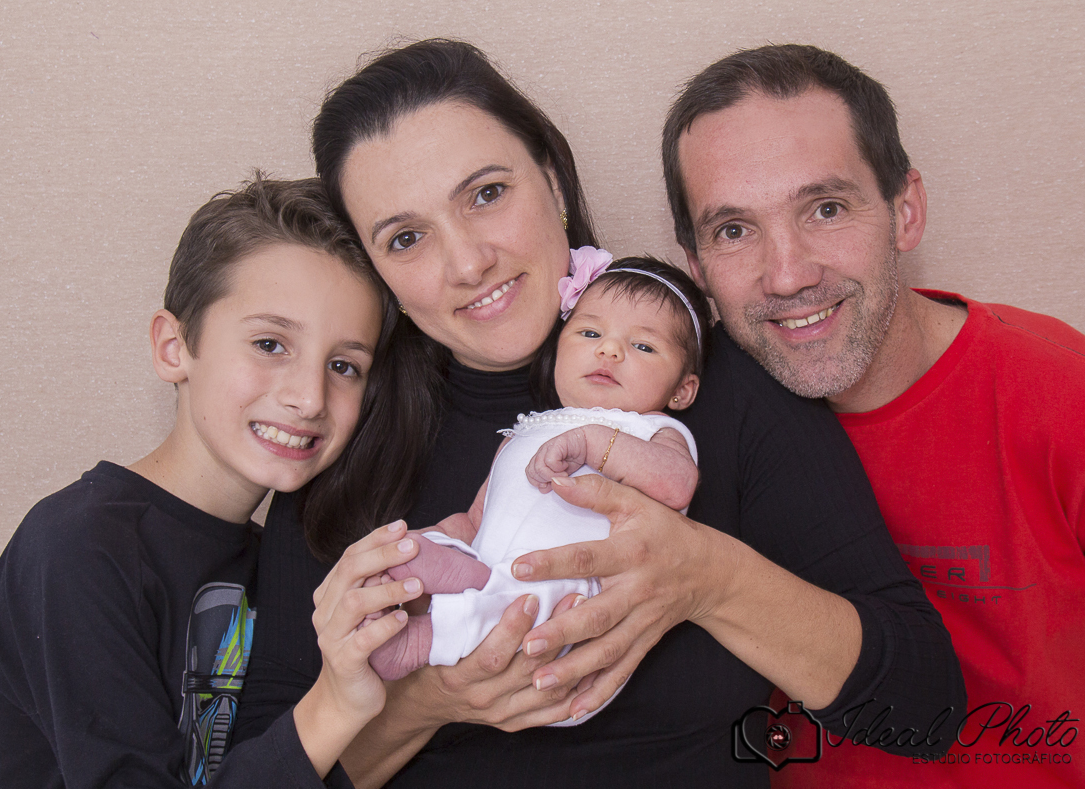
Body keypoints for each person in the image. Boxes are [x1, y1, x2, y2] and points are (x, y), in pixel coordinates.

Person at [234, 39, 965, 789]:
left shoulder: (713, 387)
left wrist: (708, 579)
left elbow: (924, 709)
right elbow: (263, 766)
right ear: (377, 267)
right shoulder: (347, 441)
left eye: (486, 194)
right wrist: (429, 701)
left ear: (550, 180)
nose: (467, 262)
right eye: (407, 237)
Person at [661, 43, 1085, 787]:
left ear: (905, 210)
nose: (788, 273)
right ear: (697, 269)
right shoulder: (669, 427)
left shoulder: (1059, 392)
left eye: (825, 208)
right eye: (734, 230)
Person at [0, 176, 435, 788]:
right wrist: (337, 705)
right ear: (173, 347)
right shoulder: (77, 549)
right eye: (270, 344)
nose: (308, 397)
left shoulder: (284, 558)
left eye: (344, 366)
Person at [367, 253, 707, 701]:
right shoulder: (528, 430)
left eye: (643, 346)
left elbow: (678, 484)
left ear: (682, 390)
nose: (609, 350)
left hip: (571, 599)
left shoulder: (651, 430)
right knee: (416, 553)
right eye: (589, 333)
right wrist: (434, 538)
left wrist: (592, 443)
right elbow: (477, 518)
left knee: (519, 605)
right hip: (487, 570)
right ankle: (418, 596)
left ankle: (422, 640)